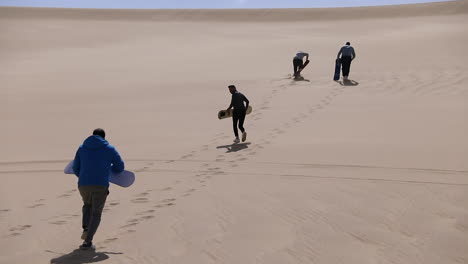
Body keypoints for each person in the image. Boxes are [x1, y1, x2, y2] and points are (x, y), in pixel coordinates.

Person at [72, 128, 125, 250]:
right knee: (96, 213)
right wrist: (110, 169)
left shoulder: (81, 148)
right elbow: (120, 167)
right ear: (104, 138)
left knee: (87, 206)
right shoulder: (109, 149)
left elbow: (75, 167)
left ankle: (86, 228)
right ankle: (87, 242)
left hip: (83, 184)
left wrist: (84, 176)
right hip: (100, 185)